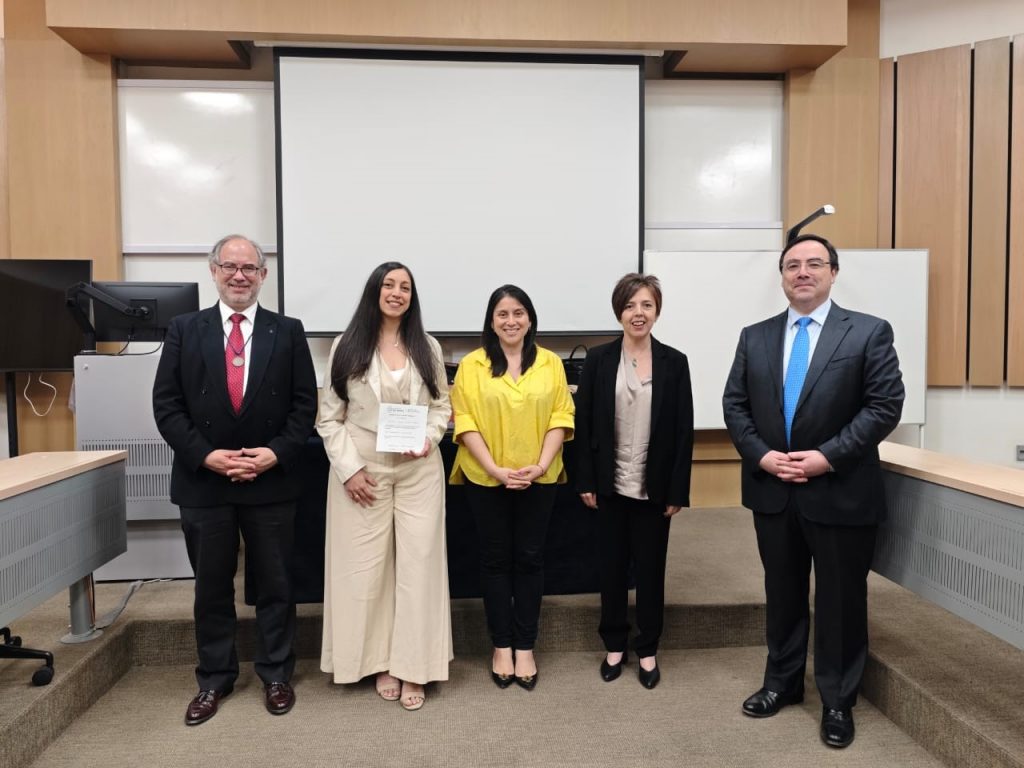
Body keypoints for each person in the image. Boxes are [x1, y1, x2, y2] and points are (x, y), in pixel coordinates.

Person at [722, 234, 904, 749]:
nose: (802, 272)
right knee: (781, 594)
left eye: (814, 263)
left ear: (833, 272)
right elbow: (735, 405)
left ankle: (837, 700)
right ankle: (782, 683)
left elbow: (884, 405)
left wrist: (828, 456)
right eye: (792, 265)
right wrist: (761, 454)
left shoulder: (867, 332)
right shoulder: (755, 336)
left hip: (840, 489)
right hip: (773, 489)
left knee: (840, 600)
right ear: (782, 276)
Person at [152, 234, 317, 726]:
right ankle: (214, 679)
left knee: (276, 585)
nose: (239, 276)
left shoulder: (288, 331)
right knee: (211, 588)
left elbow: (304, 406)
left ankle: (276, 674)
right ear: (214, 271)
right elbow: (167, 405)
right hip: (205, 482)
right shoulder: (185, 329)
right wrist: (207, 457)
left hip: (271, 480)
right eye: (230, 266)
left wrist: (274, 453)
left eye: (249, 268)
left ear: (263, 275)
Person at [317, 262, 452, 712]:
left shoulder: (427, 346)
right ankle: (380, 664)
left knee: (419, 568)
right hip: (363, 470)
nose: (397, 293)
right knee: (366, 570)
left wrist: (428, 438)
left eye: (405, 287)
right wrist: (350, 470)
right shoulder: (346, 344)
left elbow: (441, 408)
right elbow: (329, 418)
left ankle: (415, 666)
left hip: (419, 469)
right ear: (375, 291)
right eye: (389, 285)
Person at [449, 285, 574, 690]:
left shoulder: (551, 363)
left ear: (530, 319)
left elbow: (561, 415)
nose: (511, 321)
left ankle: (525, 645)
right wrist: (495, 469)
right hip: (486, 478)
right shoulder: (472, 365)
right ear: (491, 321)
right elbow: (464, 420)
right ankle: (501, 644)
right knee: (495, 560)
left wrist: (540, 465)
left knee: (531, 559)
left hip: (540, 477)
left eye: (518, 312)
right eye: (502, 314)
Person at [574, 273, 693, 690]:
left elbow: (683, 431)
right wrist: (585, 480)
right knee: (610, 568)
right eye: (629, 305)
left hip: (653, 487)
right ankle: (613, 645)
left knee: (650, 570)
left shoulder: (675, 362)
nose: (637, 313)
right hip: (608, 485)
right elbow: (584, 423)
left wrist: (678, 490)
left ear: (657, 311)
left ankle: (647, 648)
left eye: (646, 305)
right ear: (618, 312)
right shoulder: (598, 360)